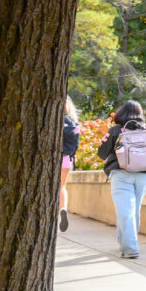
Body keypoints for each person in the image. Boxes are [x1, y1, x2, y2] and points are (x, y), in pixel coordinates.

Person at [95, 99, 146, 259]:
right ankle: (126, 241)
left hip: (121, 174)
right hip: (144, 175)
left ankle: (130, 248)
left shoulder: (116, 130)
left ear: (122, 112)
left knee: (125, 211)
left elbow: (102, 153)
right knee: (134, 210)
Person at [59, 97, 80, 233]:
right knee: (61, 187)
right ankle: (63, 209)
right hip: (66, 159)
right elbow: (76, 144)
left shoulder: (54, 119)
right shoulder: (74, 123)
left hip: (53, 158)